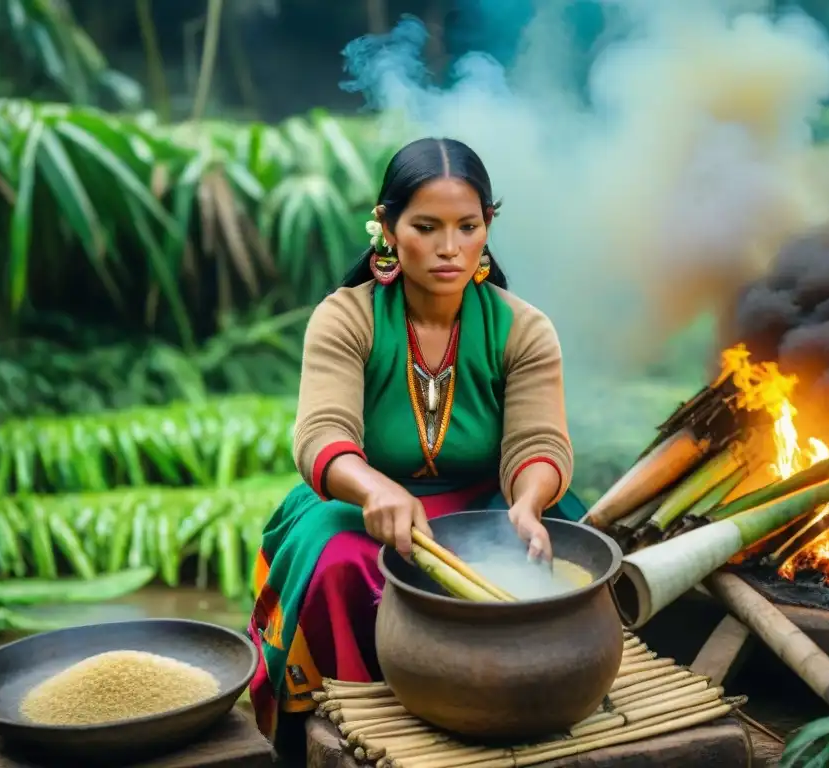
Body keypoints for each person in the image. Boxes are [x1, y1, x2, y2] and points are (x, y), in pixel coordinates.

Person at [247, 137, 587, 750]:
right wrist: (375, 485)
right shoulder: (345, 317)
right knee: (333, 557)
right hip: (358, 503)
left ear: (489, 225)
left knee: (562, 542)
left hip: (489, 503)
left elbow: (537, 442)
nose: (449, 248)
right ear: (386, 226)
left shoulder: (524, 330)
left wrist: (528, 504)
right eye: (426, 227)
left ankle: (521, 711)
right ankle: (351, 726)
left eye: (467, 225)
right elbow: (322, 435)